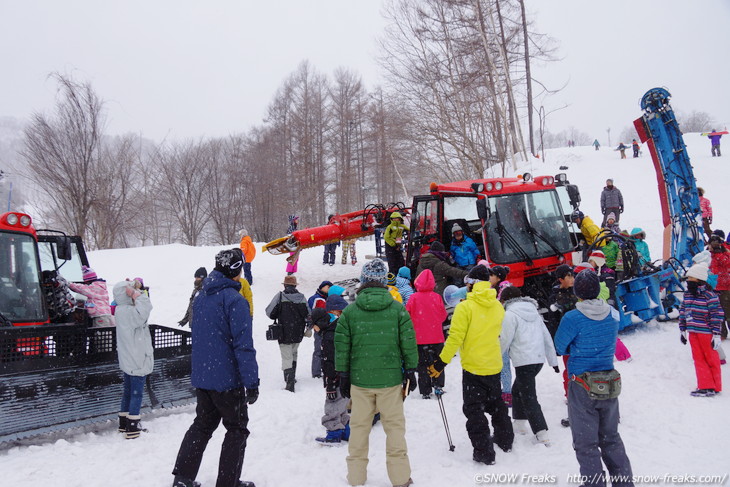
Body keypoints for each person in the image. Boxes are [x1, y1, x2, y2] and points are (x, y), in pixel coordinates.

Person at [171, 249, 258, 487]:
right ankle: (228, 482)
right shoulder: (234, 301)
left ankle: (183, 478)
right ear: (236, 270)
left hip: (204, 376)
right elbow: (243, 345)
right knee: (237, 429)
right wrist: (251, 382)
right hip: (226, 380)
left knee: (202, 425)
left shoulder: (201, 297)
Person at [334, 258, 418, 487]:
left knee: (359, 430)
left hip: (360, 382)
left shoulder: (350, 312)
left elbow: (342, 346)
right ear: (384, 281)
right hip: (390, 381)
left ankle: (356, 477)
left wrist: (343, 374)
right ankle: (400, 478)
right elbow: (408, 342)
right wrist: (411, 369)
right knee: (395, 431)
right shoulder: (397, 310)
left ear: (363, 280)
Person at [554, 270, 634, 487]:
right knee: (611, 437)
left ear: (577, 292)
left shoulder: (572, 317)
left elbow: (560, 346)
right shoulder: (613, 314)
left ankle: (594, 483)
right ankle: (624, 483)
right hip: (608, 382)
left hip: (581, 384)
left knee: (586, 442)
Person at [428, 264, 513, 465]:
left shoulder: (465, 308)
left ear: (471, 285)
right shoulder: (497, 306)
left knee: (474, 410)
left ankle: (484, 452)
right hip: (493, 364)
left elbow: (455, 338)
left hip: (473, 368)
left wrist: (440, 363)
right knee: (496, 403)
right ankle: (505, 439)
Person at [499, 286, 558, 447]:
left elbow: (505, 339)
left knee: (529, 397)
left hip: (524, 360)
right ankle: (519, 424)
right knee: (518, 390)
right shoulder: (534, 312)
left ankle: (541, 433)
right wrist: (553, 361)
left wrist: (495, 357)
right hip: (537, 360)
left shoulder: (509, 315)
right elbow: (546, 336)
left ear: (506, 301)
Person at [113, 279, 153, 440]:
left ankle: (123, 424)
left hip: (128, 358)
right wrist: (137, 294)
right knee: (136, 394)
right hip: (137, 359)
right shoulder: (129, 312)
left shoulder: (121, 310)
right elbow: (146, 307)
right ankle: (133, 427)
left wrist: (133, 292)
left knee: (128, 393)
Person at [679, 263, 723, 396]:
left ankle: (715, 385)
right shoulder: (688, 295)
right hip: (693, 332)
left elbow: (716, 315)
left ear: (698, 279)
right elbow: (683, 311)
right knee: (698, 359)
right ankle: (705, 385)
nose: (688, 281)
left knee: (711, 358)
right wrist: (683, 329)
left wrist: (716, 334)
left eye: (690, 278)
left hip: (706, 332)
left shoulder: (709, 296)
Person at [405, 269, 448, 399]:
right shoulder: (437, 297)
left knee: (422, 365)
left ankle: (425, 390)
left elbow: (407, 315)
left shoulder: (413, 298)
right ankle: (438, 385)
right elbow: (443, 316)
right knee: (437, 361)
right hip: (436, 337)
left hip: (419, 338)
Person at [315, 294, 351, 444]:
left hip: (336, 376)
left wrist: (330, 381)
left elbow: (329, 360)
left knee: (333, 404)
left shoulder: (330, 333)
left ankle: (334, 433)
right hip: (346, 375)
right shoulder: (343, 328)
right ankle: (345, 431)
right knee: (342, 403)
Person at [265, 275, 310, 392]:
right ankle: (292, 377)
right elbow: (308, 314)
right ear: (295, 286)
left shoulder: (280, 296)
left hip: (284, 332)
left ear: (285, 285)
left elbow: (269, 313)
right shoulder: (302, 298)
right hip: (298, 332)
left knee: (286, 356)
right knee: (294, 353)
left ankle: (289, 384)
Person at [309, 280, 333, 379]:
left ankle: (325, 369)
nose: (329, 289)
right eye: (328, 287)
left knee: (327, 350)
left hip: (328, 328)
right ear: (322, 287)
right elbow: (309, 313)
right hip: (319, 329)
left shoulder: (329, 298)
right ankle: (316, 372)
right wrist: (313, 325)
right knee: (318, 350)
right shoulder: (314, 299)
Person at [708, 235, 730, 339]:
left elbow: (727, 264)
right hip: (714, 288)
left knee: (727, 311)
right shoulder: (709, 255)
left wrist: (719, 253)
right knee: (717, 312)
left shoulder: (723, 255)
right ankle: (722, 333)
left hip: (724, 287)